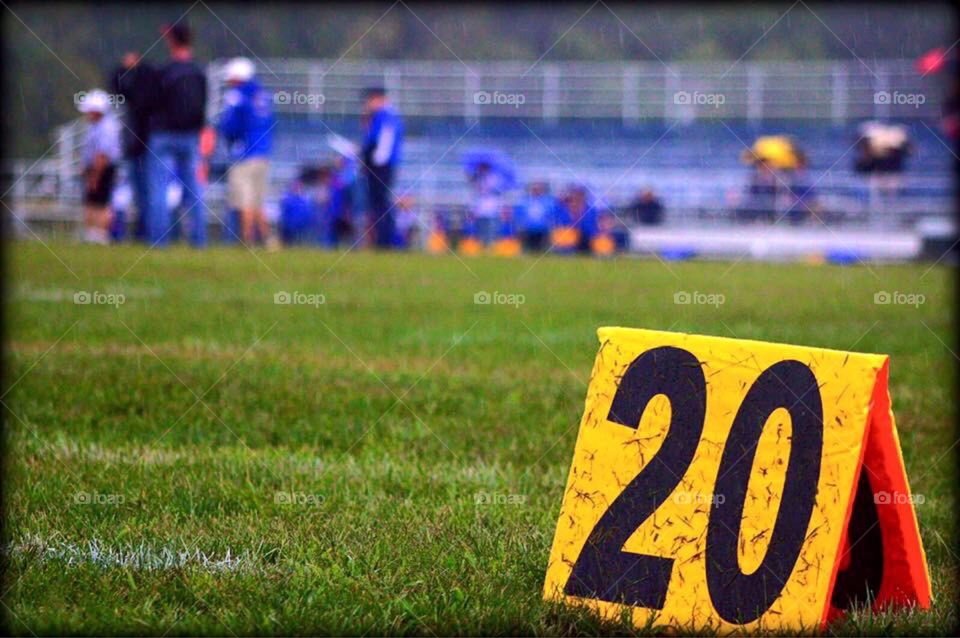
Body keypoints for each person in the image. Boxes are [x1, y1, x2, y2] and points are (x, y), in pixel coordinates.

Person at [145, 22, 209, 247]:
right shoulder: (198, 72)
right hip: (190, 136)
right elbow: (203, 108)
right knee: (195, 191)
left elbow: (149, 103)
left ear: (172, 41)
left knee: (159, 190)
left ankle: (159, 242)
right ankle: (198, 241)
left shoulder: (164, 72)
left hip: (163, 135)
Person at [218, 56, 276, 247]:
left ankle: (247, 240)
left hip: (244, 153)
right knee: (257, 201)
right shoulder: (262, 94)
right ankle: (269, 241)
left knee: (244, 201)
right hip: (263, 152)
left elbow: (230, 125)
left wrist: (226, 134)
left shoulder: (236, 95)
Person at [110, 51, 155, 241]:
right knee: (140, 195)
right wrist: (125, 68)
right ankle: (143, 232)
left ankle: (147, 232)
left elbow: (117, 85)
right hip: (136, 148)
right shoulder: (135, 94)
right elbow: (115, 85)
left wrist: (132, 67)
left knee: (147, 194)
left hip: (148, 149)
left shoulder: (148, 92)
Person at [360, 87, 404, 249]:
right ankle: (383, 241)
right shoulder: (379, 116)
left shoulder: (386, 116)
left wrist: (372, 162)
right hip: (379, 165)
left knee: (381, 204)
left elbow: (383, 144)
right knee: (378, 204)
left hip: (381, 167)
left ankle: (385, 242)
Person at [78, 90, 122, 244]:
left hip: (102, 169)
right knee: (93, 201)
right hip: (98, 168)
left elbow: (102, 156)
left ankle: (100, 234)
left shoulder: (106, 128)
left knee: (101, 202)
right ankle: (92, 234)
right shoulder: (97, 126)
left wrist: (94, 177)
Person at [514, 180, 556, 251]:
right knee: (528, 248)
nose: (536, 191)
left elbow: (552, 215)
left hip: (542, 230)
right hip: (527, 229)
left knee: (541, 249)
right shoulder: (524, 201)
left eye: (538, 189)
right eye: (534, 189)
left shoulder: (548, 201)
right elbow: (519, 215)